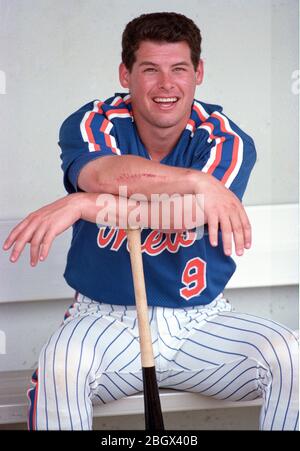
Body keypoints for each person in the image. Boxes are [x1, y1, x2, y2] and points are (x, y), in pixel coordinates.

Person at [3, 12, 298, 431]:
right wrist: (196, 180)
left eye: (179, 69)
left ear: (198, 72)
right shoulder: (95, 121)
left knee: (291, 358)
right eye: (149, 70)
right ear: (126, 74)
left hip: (202, 322)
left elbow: (191, 214)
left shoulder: (222, 136)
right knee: (60, 368)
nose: (166, 84)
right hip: (103, 320)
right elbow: (101, 175)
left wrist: (83, 206)